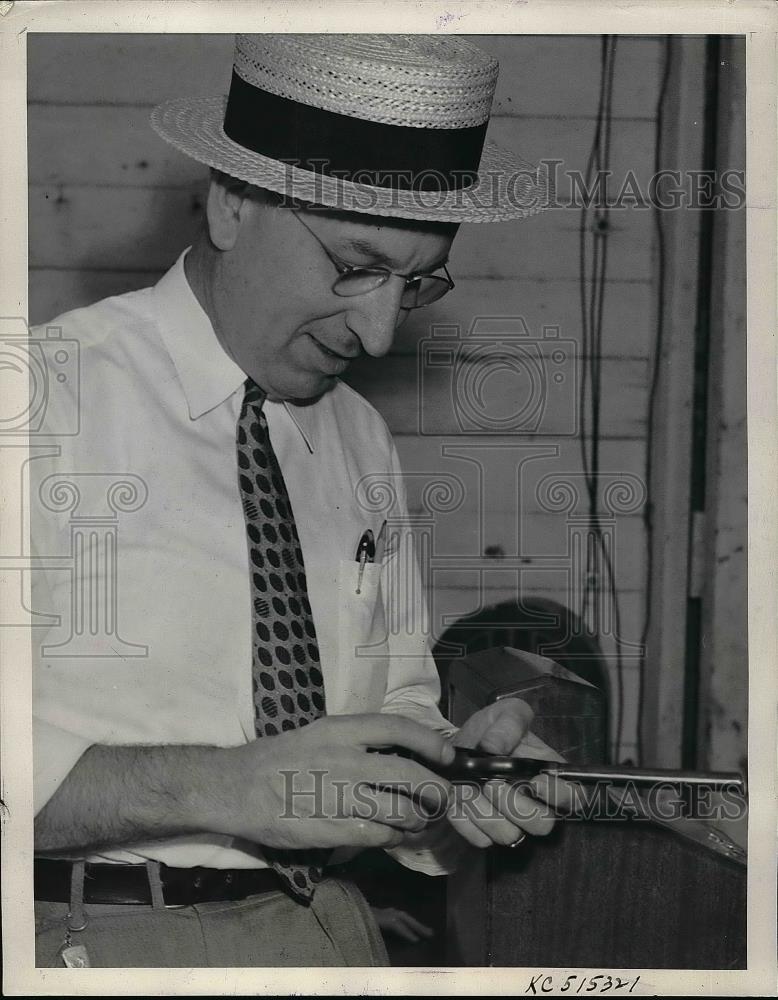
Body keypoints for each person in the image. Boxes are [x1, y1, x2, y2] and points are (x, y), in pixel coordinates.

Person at [31, 33, 560, 968]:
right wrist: (219, 789)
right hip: (87, 938)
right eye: (356, 265)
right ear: (234, 203)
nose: (380, 330)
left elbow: (394, 704)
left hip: (333, 935)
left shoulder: (358, 439)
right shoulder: (38, 400)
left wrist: (458, 775)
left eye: (417, 282)